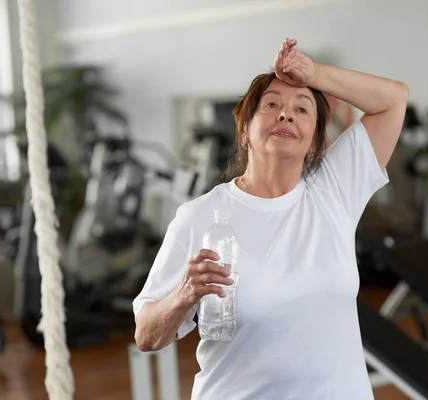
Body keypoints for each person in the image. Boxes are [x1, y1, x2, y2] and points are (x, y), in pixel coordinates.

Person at [133, 38, 408, 399]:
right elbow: (147, 336)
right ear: (245, 131)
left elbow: (393, 100)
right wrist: (183, 295)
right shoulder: (199, 217)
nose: (286, 114)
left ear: (313, 141)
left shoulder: (335, 190)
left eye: (302, 109)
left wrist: (315, 74)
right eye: (272, 105)